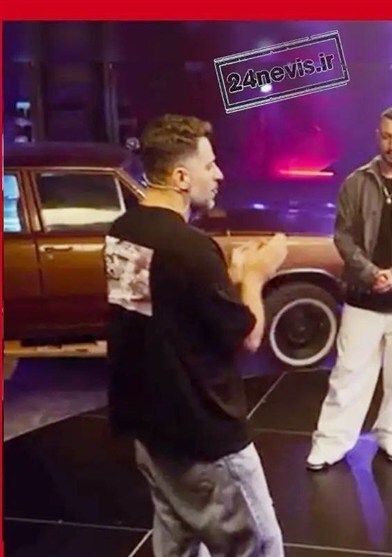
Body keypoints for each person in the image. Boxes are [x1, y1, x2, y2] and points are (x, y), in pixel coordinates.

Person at [103, 114, 287, 557]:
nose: (219, 174)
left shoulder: (123, 230)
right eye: (210, 165)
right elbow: (247, 339)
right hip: (203, 436)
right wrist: (255, 277)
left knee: (178, 544)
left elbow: (168, 313)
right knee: (260, 547)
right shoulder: (190, 247)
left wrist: (227, 279)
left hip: (151, 430)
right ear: (181, 178)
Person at [306, 106, 392, 471]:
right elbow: (343, 236)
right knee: (348, 373)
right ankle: (331, 441)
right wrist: (370, 273)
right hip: (362, 296)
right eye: (386, 137)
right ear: (377, 136)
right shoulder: (356, 182)